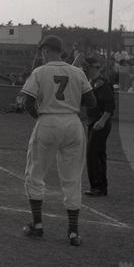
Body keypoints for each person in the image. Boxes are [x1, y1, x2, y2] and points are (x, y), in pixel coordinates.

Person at [20, 35, 96, 247]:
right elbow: (91, 101)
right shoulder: (77, 72)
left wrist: (40, 118)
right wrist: (73, 102)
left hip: (48, 121)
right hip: (73, 123)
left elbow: (27, 102)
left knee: (35, 174)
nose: (41, 54)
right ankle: (73, 233)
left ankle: (37, 225)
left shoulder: (40, 71)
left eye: (42, 51)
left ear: (46, 50)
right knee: (72, 179)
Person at [84, 57, 115, 197]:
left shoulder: (102, 84)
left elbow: (110, 105)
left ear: (94, 68)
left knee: (93, 154)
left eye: (88, 68)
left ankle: (98, 186)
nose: (87, 71)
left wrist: (102, 121)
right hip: (93, 121)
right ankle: (99, 186)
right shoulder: (92, 83)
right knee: (97, 154)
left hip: (99, 122)